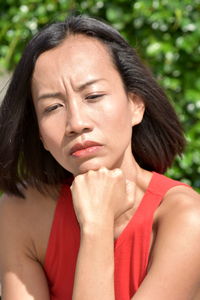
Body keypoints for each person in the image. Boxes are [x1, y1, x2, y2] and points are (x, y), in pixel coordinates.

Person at [0, 14, 200, 300]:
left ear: (135, 105)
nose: (77, 122)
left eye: (93, 96)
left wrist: (96, 227)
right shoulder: (20, 212)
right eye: (53, 107)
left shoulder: (186, 219)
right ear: (40, 135)